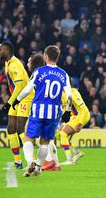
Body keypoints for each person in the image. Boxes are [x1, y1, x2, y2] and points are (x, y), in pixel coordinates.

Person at [12, 45, 73, 177]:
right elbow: (69, 96)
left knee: (29, 138)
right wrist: (68, 111)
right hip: (54, 114)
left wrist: (16, 100)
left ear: (45, 56)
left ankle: (30, 163)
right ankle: (38, 167)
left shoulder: (39, 71)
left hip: (38, 110)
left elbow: (27, 89)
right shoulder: (64, 74)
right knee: (44, 142)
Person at [0, 41, 34, 169]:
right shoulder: (7, 63)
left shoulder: (15, 65)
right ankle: (18, 162)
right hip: (17, 98)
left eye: (0, 49)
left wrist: (9, 103)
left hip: (25, 97)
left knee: (20, 129)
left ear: (7, 51)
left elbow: (19, 86)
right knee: (11, 129)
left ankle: (31, 161)